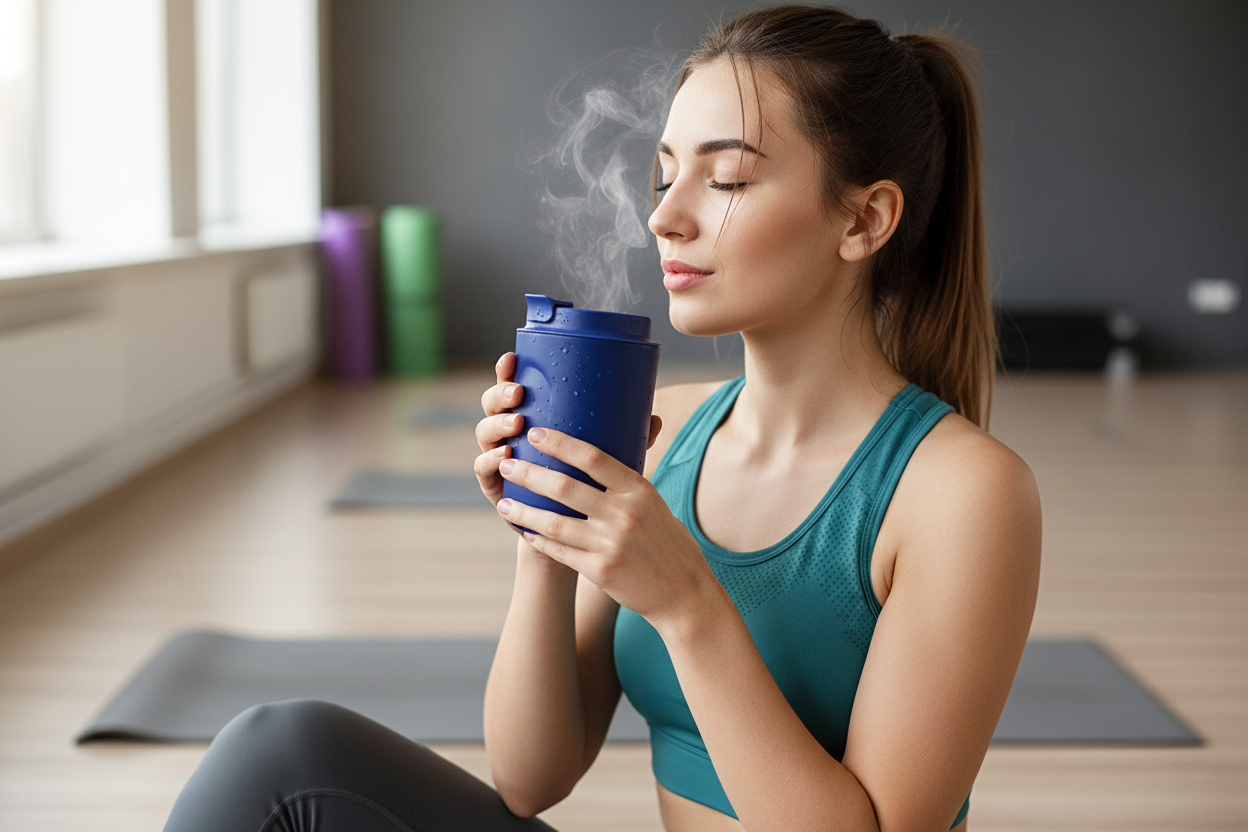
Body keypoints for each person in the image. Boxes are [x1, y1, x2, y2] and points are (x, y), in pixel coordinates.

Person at [161, 5, 1039, 831]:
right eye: (665, 174)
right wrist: (542, 537)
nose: (665, 215)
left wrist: (689, 605)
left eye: (727, 177)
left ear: (864, 219)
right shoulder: (670, 434)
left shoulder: (963, 494)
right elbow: (530, 776)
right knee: (283, 752)